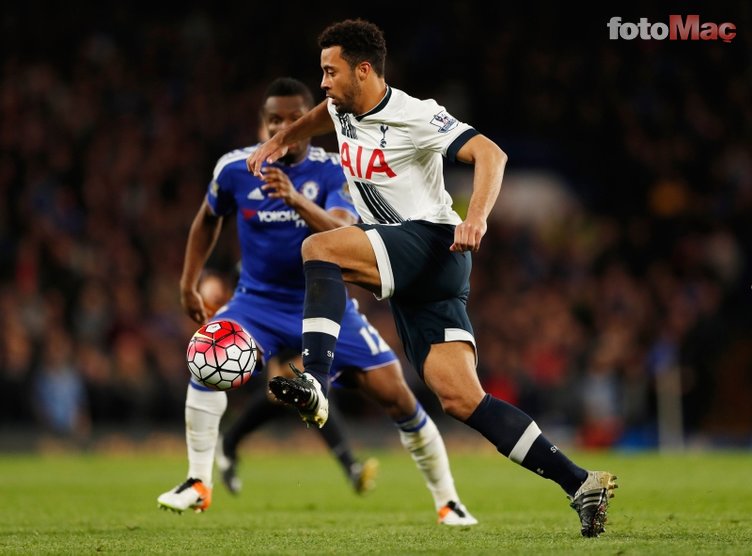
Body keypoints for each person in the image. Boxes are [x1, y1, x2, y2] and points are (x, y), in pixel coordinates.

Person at [247, 20, 618, 538]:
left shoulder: (415, 114)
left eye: (331, 72)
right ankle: (580, 483)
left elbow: (491, 153)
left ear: (364, 69)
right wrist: (283, 137)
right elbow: (319, 116)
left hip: (430, 242)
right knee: (460, 397)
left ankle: (316, 377)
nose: (324, 82)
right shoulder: (340, 106)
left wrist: (478, 217)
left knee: (319, 247)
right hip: (422, 270)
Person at [157, 77, 477, 526]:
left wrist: (293, 199)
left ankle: (449, 500)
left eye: (293, 119)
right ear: (262, 123)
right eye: (274, 120)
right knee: (205, 355)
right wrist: (188, 283)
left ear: (307, 124)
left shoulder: (334, 169)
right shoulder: (234, 168)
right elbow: (206, 220)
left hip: (324, 308)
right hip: (257, 304)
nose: (282, 127)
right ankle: (197, 482)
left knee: (398, 397)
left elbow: (340, 231)